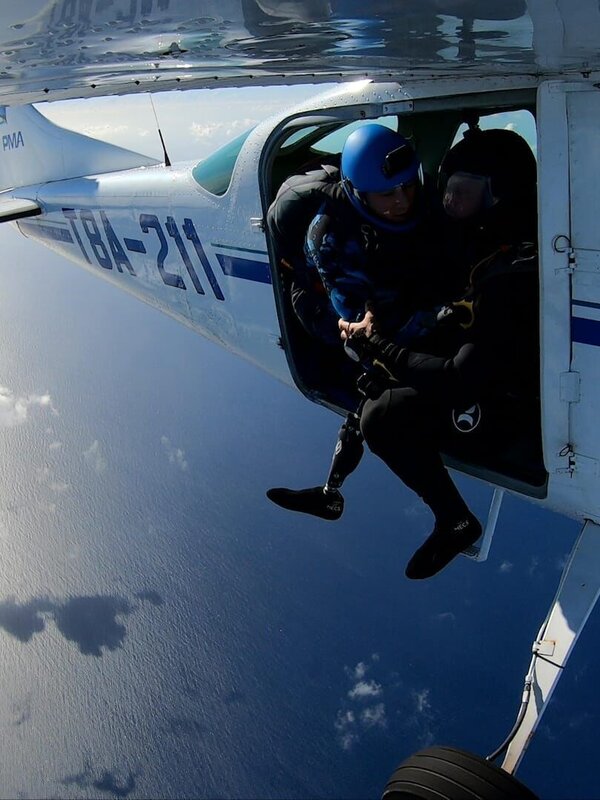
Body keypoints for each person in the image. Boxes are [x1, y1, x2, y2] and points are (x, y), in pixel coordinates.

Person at [268, 126, 540, 580]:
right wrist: (368, 330)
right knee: (376, 385)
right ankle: (334, 491)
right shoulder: (337, 236)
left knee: (382, 410)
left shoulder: (498, 263)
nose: (403, 200)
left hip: (495, 384)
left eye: (410, 187)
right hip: (409, 329)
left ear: (498, 195)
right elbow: (351, 306)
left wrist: (382, 343)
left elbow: (458, 374)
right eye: (448, 188)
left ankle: (451, 519)